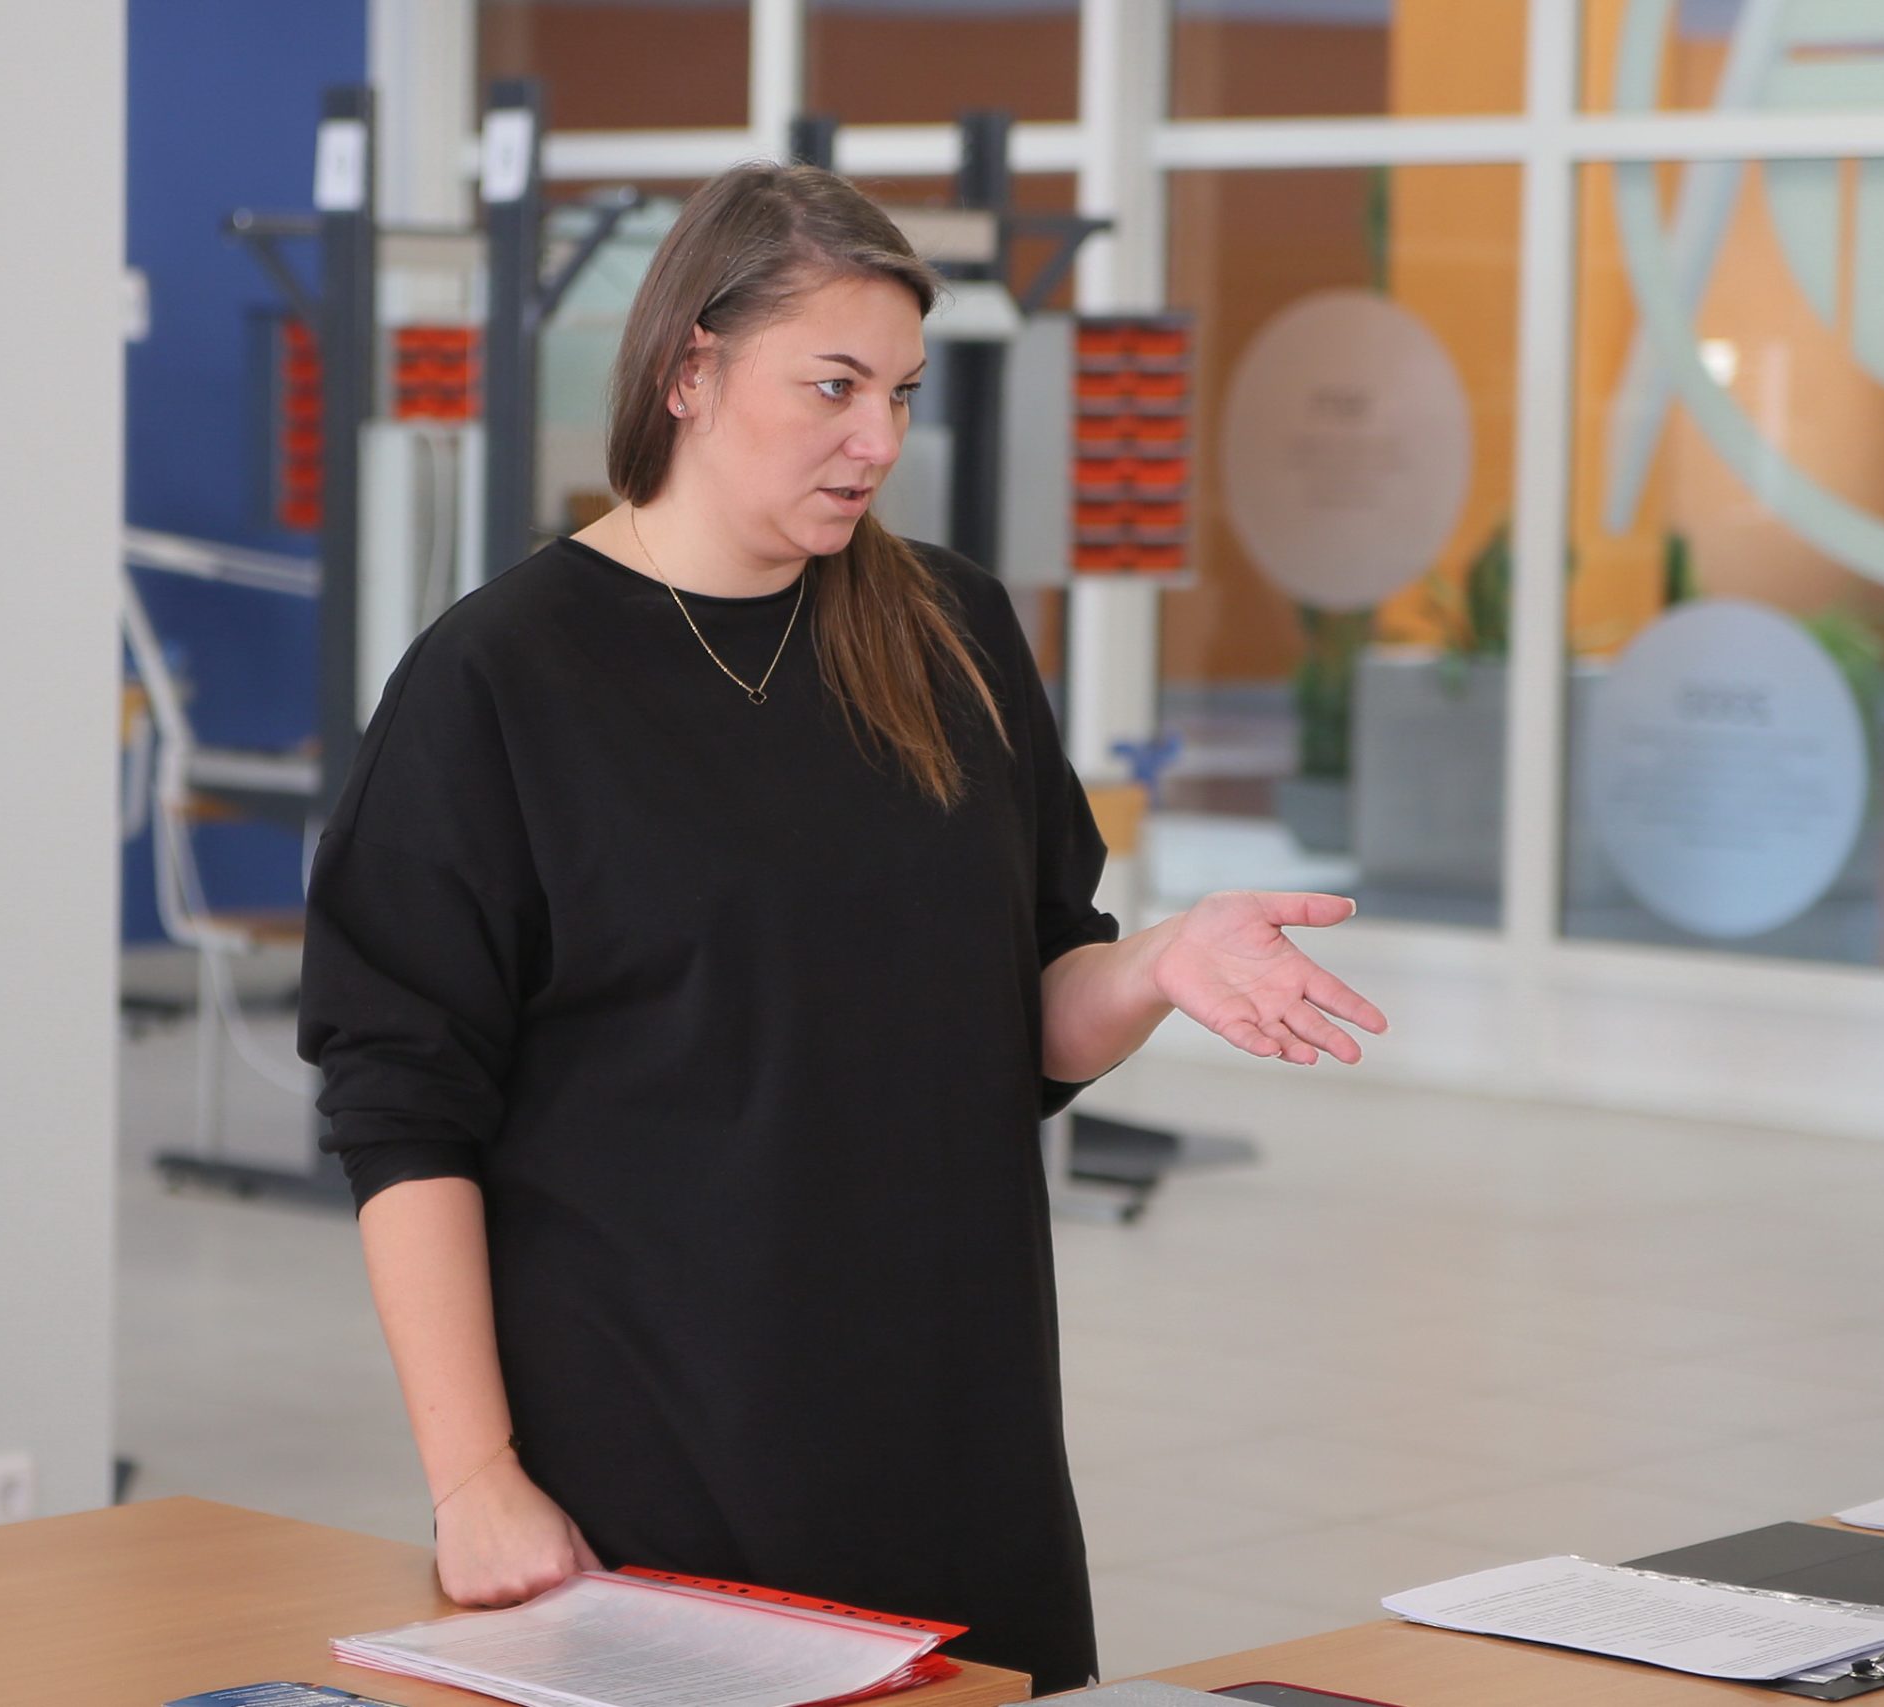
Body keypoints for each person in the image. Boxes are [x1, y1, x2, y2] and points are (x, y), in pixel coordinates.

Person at [295, 162, 1386, 1697]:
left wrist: (1153, 964)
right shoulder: (497, 680)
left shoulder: (951, 629)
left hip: (959, 1436)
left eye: (900, 393)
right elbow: (402, 1108)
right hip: (660, 1454)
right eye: (833, 386)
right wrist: (476, 1477)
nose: (878, 439)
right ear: (690, 371)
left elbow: (1025, 1016)